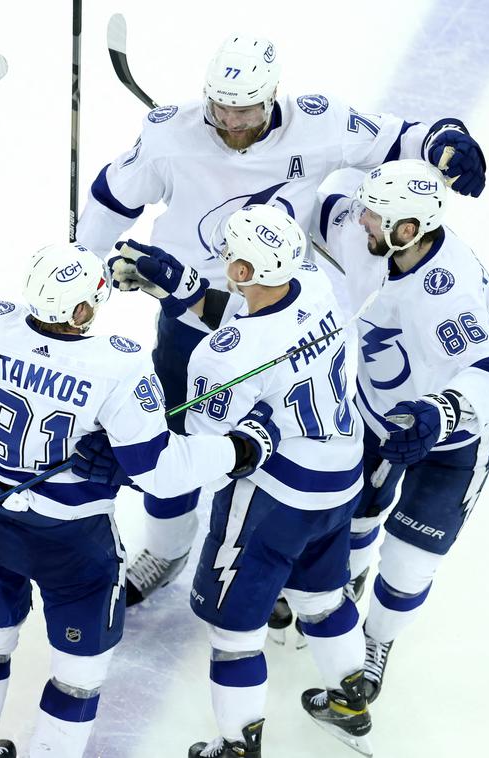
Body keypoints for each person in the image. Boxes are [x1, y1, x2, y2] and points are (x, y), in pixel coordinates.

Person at [75, 32, 489, 604]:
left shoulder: (318, 124)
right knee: (172, 437)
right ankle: (167, 550)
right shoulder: (170, 136)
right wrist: (82, 268)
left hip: (281, 322)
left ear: (272, 97)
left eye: (244, 109)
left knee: (283, 444)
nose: (231, 121)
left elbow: (399, 141)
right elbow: (111, 196)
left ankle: (286, 562)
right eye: (220, 107)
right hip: (191, 318)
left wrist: (446, 139)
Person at [0, 213, 280, 758]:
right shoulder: (118, 366)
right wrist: (243, 448)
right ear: (82, 310)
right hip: (74, 545)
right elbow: (163, 474)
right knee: (78, 677)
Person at [110, 205, 374, 757]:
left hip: (274, 498)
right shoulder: (314, 283)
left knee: (233, 627)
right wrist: (183, 290)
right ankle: (351, 695)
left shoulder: (220, 358)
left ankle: (236, 743)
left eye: (231, 256)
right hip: (340, 478)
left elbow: (215, 450)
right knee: (320, 591)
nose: (224, 259)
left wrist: (135, 434)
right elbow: (260, 325)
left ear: (245, 272)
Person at [309, 159, 489, 704]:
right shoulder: (378, 235)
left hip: (452, 442)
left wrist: (441, 412)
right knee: (353, 520)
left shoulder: (448, 292)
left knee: (407, 563)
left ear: (409, 230)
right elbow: (317, 204)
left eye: (375, 216)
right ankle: (342, 596)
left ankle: (377, 642)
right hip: (376, 413)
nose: (362, 221)